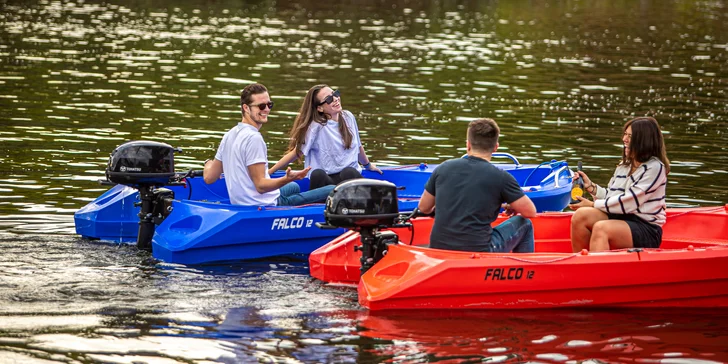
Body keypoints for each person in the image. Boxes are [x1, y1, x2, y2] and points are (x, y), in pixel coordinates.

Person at [203, 83, 334, 206]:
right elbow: (261, 186)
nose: (266, 110)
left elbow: (209, 178)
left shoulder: (229, 135)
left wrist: (208, 163)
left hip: (242, 202)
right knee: (334, 190)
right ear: (246, 108)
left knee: (294, 186)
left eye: (269, 105)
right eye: (261, 106)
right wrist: (286, 179)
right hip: (265, 204)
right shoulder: (254, 138)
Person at [417, 118, 537, 253]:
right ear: (496, 148)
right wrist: (511, 205)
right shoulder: (501, 177)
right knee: (524, 224)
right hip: (479, 250)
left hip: (439, 248)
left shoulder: (443, 168)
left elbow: (424, 207)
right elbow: (530, 212)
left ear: (468, 145)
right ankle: (525, 272)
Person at [569, 116, 669, 252]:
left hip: (645, 227)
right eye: (625, 135)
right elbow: (612, 197)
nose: (624, 140)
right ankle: (580, 267)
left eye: (630, 136)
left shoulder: (655, 167)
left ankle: (597, 271)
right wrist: (591, 187)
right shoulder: (624, 165)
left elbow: (630, 202)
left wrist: (592, 204)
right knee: (580, 216)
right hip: (621, 216)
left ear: (643, 140)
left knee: (601, 228)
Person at [268, 84, 382, 190]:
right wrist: (270, 172)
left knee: (349, 172)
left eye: (335, 94)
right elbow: (296, 153)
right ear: (320, 108)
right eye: (329, 99)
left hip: (349, 178)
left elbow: (358, 147)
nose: (335, 99)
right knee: (317, 174)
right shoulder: (315, 127)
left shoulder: (348, 117)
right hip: (326, 182)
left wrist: (368, 165)